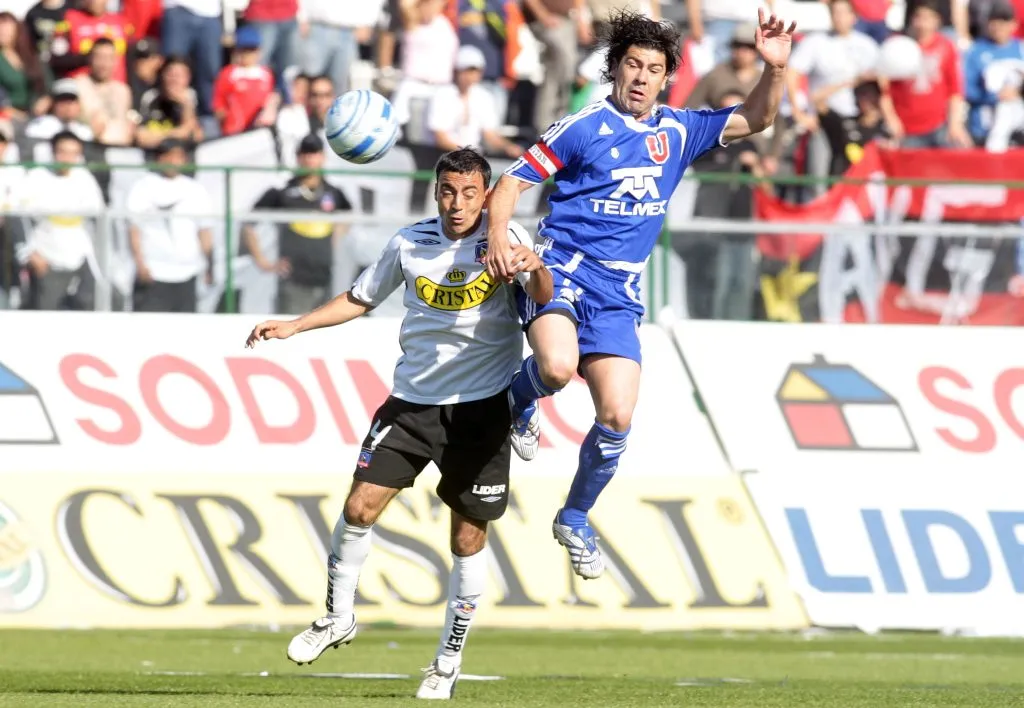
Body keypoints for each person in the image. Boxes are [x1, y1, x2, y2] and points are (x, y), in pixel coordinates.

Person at [484, 8, 794, 579]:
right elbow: (511, 182)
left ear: (666, 76)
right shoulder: (584, 126)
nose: (642, 76)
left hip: (618, 290)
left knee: (618, 415)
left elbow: (757, 118)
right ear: (616, 68)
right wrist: (500, 237)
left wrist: (774, 70)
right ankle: (516, 402)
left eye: (653, 68)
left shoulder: (678, 130)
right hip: (561, 269)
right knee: (555, 366)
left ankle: (574, 518)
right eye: (632, 64)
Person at [244, 148, 552, 700]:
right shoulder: (410, 242)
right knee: (358, 507)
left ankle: (447, 659)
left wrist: (536, 271)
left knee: (465, 537)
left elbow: (544, 301)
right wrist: (295, 326)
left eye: (469, 193)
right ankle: (338, 618)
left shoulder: (509, 240)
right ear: (436, 193)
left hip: (480, 410)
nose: (457, 204)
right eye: (447, 192)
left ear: (487, 196)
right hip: (411, 404)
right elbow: (359, 299)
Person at [242, 133, 352, 314]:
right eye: (305, 153)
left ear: (322, 157)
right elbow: (248, 225)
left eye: (314, 153)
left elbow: (348, 217)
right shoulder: (283, 190)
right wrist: (264, 262)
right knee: (292, 336)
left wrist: (335, 241)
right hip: (293, 281)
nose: (309, 159)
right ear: (297, 157)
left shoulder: (333, 192)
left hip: (326, 278)